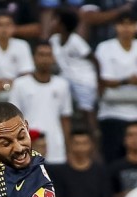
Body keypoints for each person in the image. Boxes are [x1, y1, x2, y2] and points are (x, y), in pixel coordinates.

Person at [94, 12, 137, 164]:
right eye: (122, 24)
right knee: (112, 160)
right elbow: (104, 80)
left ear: (136, 26)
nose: (126, 28)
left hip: (136, 114)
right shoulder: (105, 47)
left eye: (130, 24)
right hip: (110, 114)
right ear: (116, 26)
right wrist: (128, 80)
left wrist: (124, 82)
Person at [8, 41, 72, 165]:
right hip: (27, 147)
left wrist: (68, 148)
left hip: (56, 149)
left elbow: (65, 119)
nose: (44, 59)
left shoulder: (62, 85)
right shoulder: (20, 84)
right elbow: (13, 120)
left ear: (53, 58)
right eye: (41, 55)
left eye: (48, 55)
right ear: (34, 58)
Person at [48, 129, 110, 197]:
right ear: (70, 145)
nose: (81, 147)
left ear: (91, 145)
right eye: (77, 143)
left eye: (84, 143)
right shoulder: (58, 171)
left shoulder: (100, 170)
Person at [49, 8, 98, 136]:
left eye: (55, 20)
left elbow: (94, 60)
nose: (52, 23)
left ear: (62, 25)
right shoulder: (53, 40)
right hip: (65, 78)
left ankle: (94, 139)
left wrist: (100, 82)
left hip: (83, 79)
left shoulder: (76, 41)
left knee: (87, 112)